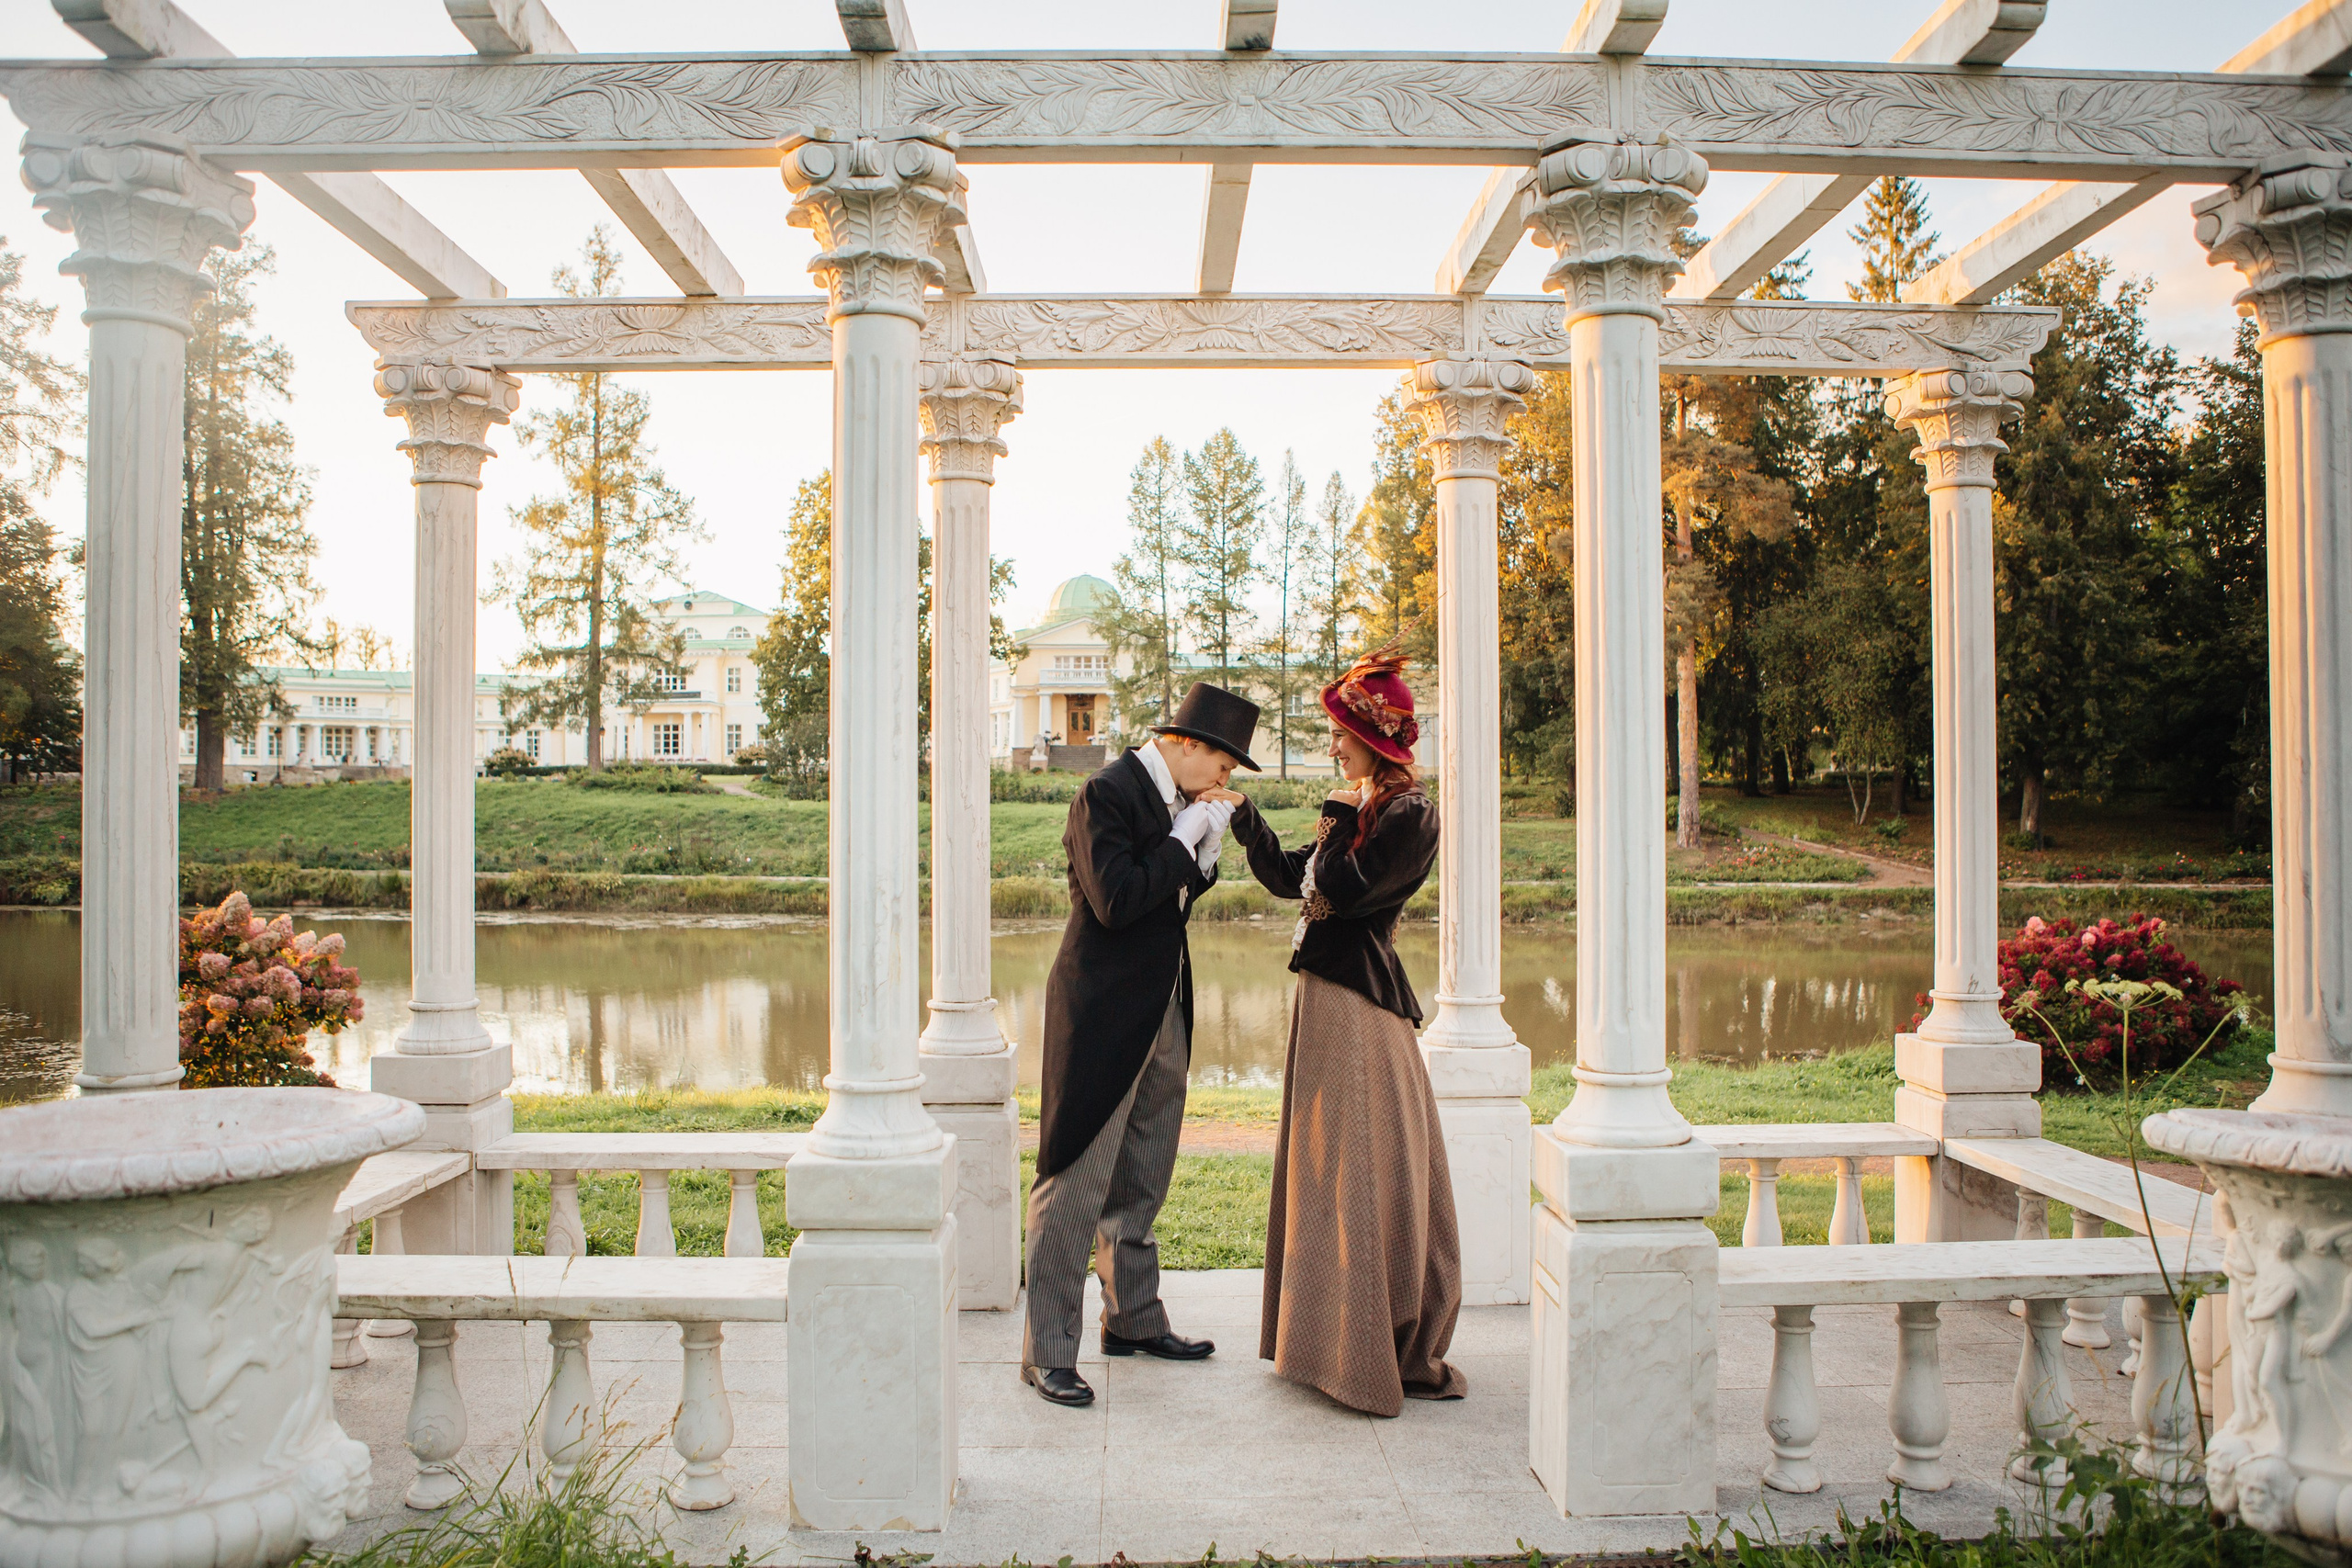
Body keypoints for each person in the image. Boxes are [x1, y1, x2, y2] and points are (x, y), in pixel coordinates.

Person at [1220, 645, 1466, 1417]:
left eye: (1338, 732)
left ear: (1374, 738)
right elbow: (1288, 872)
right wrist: (1245, 819)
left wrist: (1332, 821)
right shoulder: (1362, 808)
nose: (1331, 745)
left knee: (1356, 1170)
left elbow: (1344, 888)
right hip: (1325, 1000)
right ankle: (1323, 1340)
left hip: (1359, 1006)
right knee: (1327, 1173)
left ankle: (1367, 1348)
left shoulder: (1408, 814)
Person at [1022, 682, 1262, 1407]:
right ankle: (1047, 1351)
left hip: (1165, 1004)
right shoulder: (1106, 793)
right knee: (1075, 1179)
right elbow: (1118, 899)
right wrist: (1184, 842)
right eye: (1223, 766)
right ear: (1186, 743)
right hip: (1100, 1009)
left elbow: (1171, 901)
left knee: (1144, 1168)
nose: (1225, 783)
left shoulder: (1184, 802)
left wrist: (1202, 852)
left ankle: (1132, 1318)